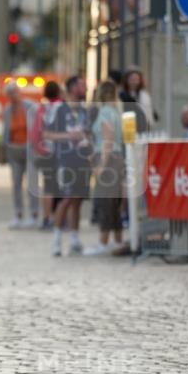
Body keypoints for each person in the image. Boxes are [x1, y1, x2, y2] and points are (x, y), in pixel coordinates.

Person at [44, 74, 92, 257]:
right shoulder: (59, 109)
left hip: (82, 160)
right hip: (65, 160)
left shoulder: (84, 110)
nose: (85, 89)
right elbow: (46, 134)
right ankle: (56, 240)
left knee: (78, 200)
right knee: (66, 198)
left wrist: (87, 140)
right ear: (73, 88)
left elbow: (87, 133)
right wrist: (68, 137)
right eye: (82, 85)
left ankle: (74, 239)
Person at [84, 80, 124, 256]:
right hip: (116, 157)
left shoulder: (106, 111)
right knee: (114, 202)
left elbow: (107, 137)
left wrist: (101, 164)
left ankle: (103, 242)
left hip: (107, 159)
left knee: (104, 201)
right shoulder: (116, 111)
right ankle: (117, 239)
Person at [2, 82, 39, 229]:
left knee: (32, 183)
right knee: (16, 184)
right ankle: (18, 215)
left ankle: (35, 215)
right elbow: (6, 132)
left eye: (15, 92)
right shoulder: (7, 111)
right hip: (14, 150)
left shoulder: (31, 106)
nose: (13, 95)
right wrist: (3, 151)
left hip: (30, 150)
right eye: (10, 93)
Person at [35, 80, 63, 230]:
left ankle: (46, 218)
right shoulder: (62, 106)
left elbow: (35, 133)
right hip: (61, 152)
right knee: (62, 186)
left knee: (48, 188)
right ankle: (60, 219)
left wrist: (40, 149)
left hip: (46, 151)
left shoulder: (42, 108)